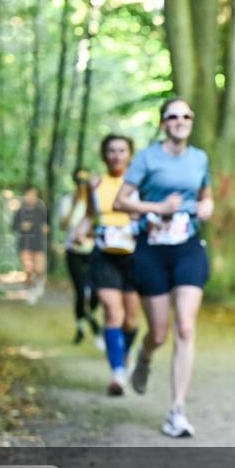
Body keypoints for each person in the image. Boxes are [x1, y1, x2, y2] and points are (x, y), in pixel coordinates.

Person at [113, 100, 214, 436]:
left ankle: (177, 410)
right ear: (163, 123)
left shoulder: (199, 158)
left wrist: (205, 207)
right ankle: (144, 356)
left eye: (187, 115)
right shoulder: (146, 158)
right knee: (159, 332)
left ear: (192, 122)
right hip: (152, 249)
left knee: (185, 327)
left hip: (187, 247)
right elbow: (121, 201)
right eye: (173, 116)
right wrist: (157, 206)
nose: (180, 121)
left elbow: (206, 195)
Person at [84, 135, 141, 396]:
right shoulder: (95, 184)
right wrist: (77, 232)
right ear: (104, 155)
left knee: (131, 320)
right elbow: (89, 216)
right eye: (111, 151)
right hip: (104, 253)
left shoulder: (140, 181)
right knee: (112, 311)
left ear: (130, 154)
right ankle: (117, 373)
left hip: (134, 254)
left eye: (122, 150)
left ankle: (124, 352)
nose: (117, 155)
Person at [60, 169, 102, 347]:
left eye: (85, 181)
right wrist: (75, 205)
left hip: (94, 251)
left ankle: (88, 320)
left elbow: (102, 225)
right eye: (79, 181)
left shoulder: (97, 201)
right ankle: (83, 328)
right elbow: (63, 226)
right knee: (79, 291)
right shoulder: (68, 201)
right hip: (74, 251)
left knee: (96, 293)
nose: (82, 185)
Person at [12, 186, 49, 301]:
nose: (31, 197)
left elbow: (48, 226)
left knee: (39, 269)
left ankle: (39, 284)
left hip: (38, 242)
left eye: (34, 195)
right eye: (29, 194)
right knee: (28, 269)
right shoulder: (20, 210)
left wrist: (46, 229)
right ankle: (30, 291)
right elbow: (13, 227)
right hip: (25, 243)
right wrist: (22, 227)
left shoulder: (42, 210)